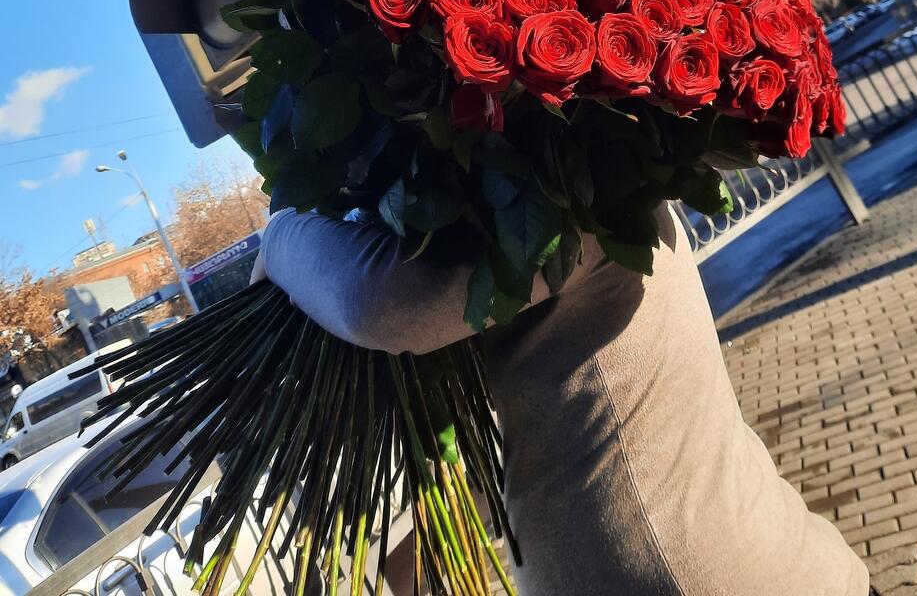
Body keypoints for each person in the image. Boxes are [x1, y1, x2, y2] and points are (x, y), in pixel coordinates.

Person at [254, 203, 871, 596]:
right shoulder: (601, 175)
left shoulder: (572, 200)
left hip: (693, 574)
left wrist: (282, 232)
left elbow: (383, 305)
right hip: (737, 561)